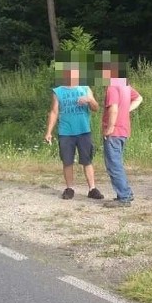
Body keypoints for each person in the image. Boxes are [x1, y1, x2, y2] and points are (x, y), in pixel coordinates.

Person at [44, 57, 104, 200]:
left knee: (87, 160)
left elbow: (96, 108)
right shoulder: (57, 91)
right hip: (66, 132)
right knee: (67, 161)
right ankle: (70, 188)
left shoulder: (84, 88)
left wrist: (89, 100)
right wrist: (48, 132)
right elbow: (54, 112)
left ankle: (92, 189)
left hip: (84, 130)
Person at [99, 56, 142, 207]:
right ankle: (126, 194)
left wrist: (109, 128)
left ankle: (124, 197)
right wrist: (127, 110)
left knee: (114, 165)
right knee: (117, 163)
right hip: (123, 130)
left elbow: (114, 109)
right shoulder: (125, 85)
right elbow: (139, 99)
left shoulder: (112, 87)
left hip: (115, 132)